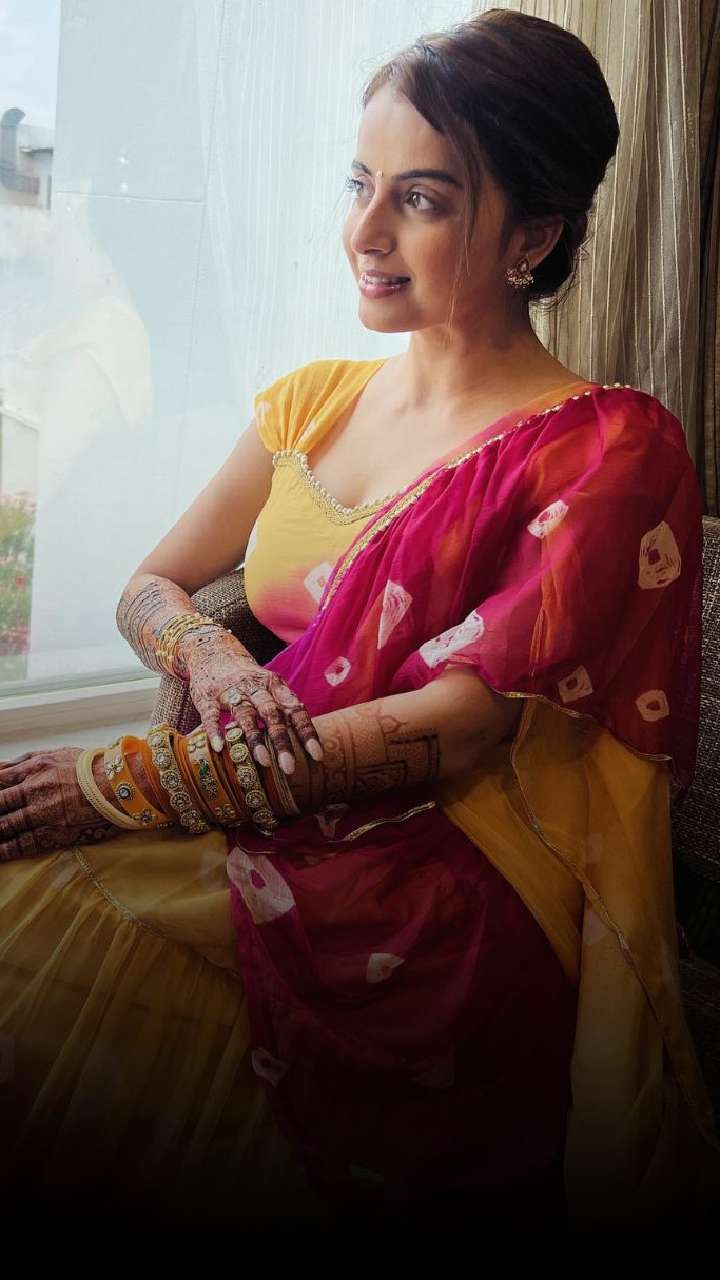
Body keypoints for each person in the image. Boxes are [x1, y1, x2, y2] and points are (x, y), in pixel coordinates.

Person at [0, 7, 718, 1249]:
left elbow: (454, 732)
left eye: (422, 199)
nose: (364, 233)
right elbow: (154, 582)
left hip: (447, 880)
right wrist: (209, 648)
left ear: (533, 235)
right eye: (358, 183)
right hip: (267, 811)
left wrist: (123, 784)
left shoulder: (611, 446)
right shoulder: (314, 402)